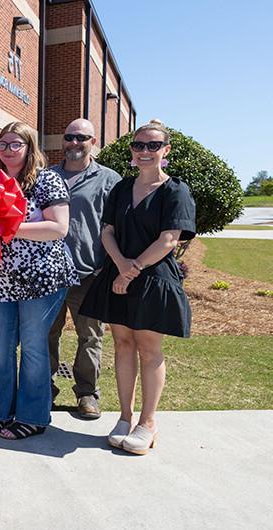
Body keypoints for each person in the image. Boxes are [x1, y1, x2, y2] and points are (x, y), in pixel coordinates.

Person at [80, 119, 195, 455]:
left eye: (153, 145)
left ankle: (148, 422)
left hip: (153, 280)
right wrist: (120, 265)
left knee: (148, 348)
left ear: (166, 151)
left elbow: (169, 239)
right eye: (139, 145)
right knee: (122, 344)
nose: (145, 151)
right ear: (132, 150)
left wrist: (131, 271)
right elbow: (107, 232)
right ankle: (125, 417)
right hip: (119, 273)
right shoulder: (121, 188)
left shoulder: (176, 191)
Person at [0, 121, 78, 440]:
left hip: (42, 278)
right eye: (3, 144)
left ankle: (33, 416)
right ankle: (2, 412)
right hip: (3, 280)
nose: (8, 151)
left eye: (16, 144)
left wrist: (10, 229)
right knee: (0, 349)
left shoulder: (45, 180)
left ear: (29, 148)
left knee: (34, 349)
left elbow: (59, 228)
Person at [47, 118, 121, 419]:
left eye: (82, 138)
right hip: (49, 273)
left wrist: (109, 264)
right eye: (69, 137)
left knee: (90, 336)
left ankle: (87, 393)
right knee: (44, 335)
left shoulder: (109, 180)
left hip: (89, 273)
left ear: (94, 141)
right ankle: (43, 389)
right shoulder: (47, 176)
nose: (74, 143)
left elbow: (117, 226)